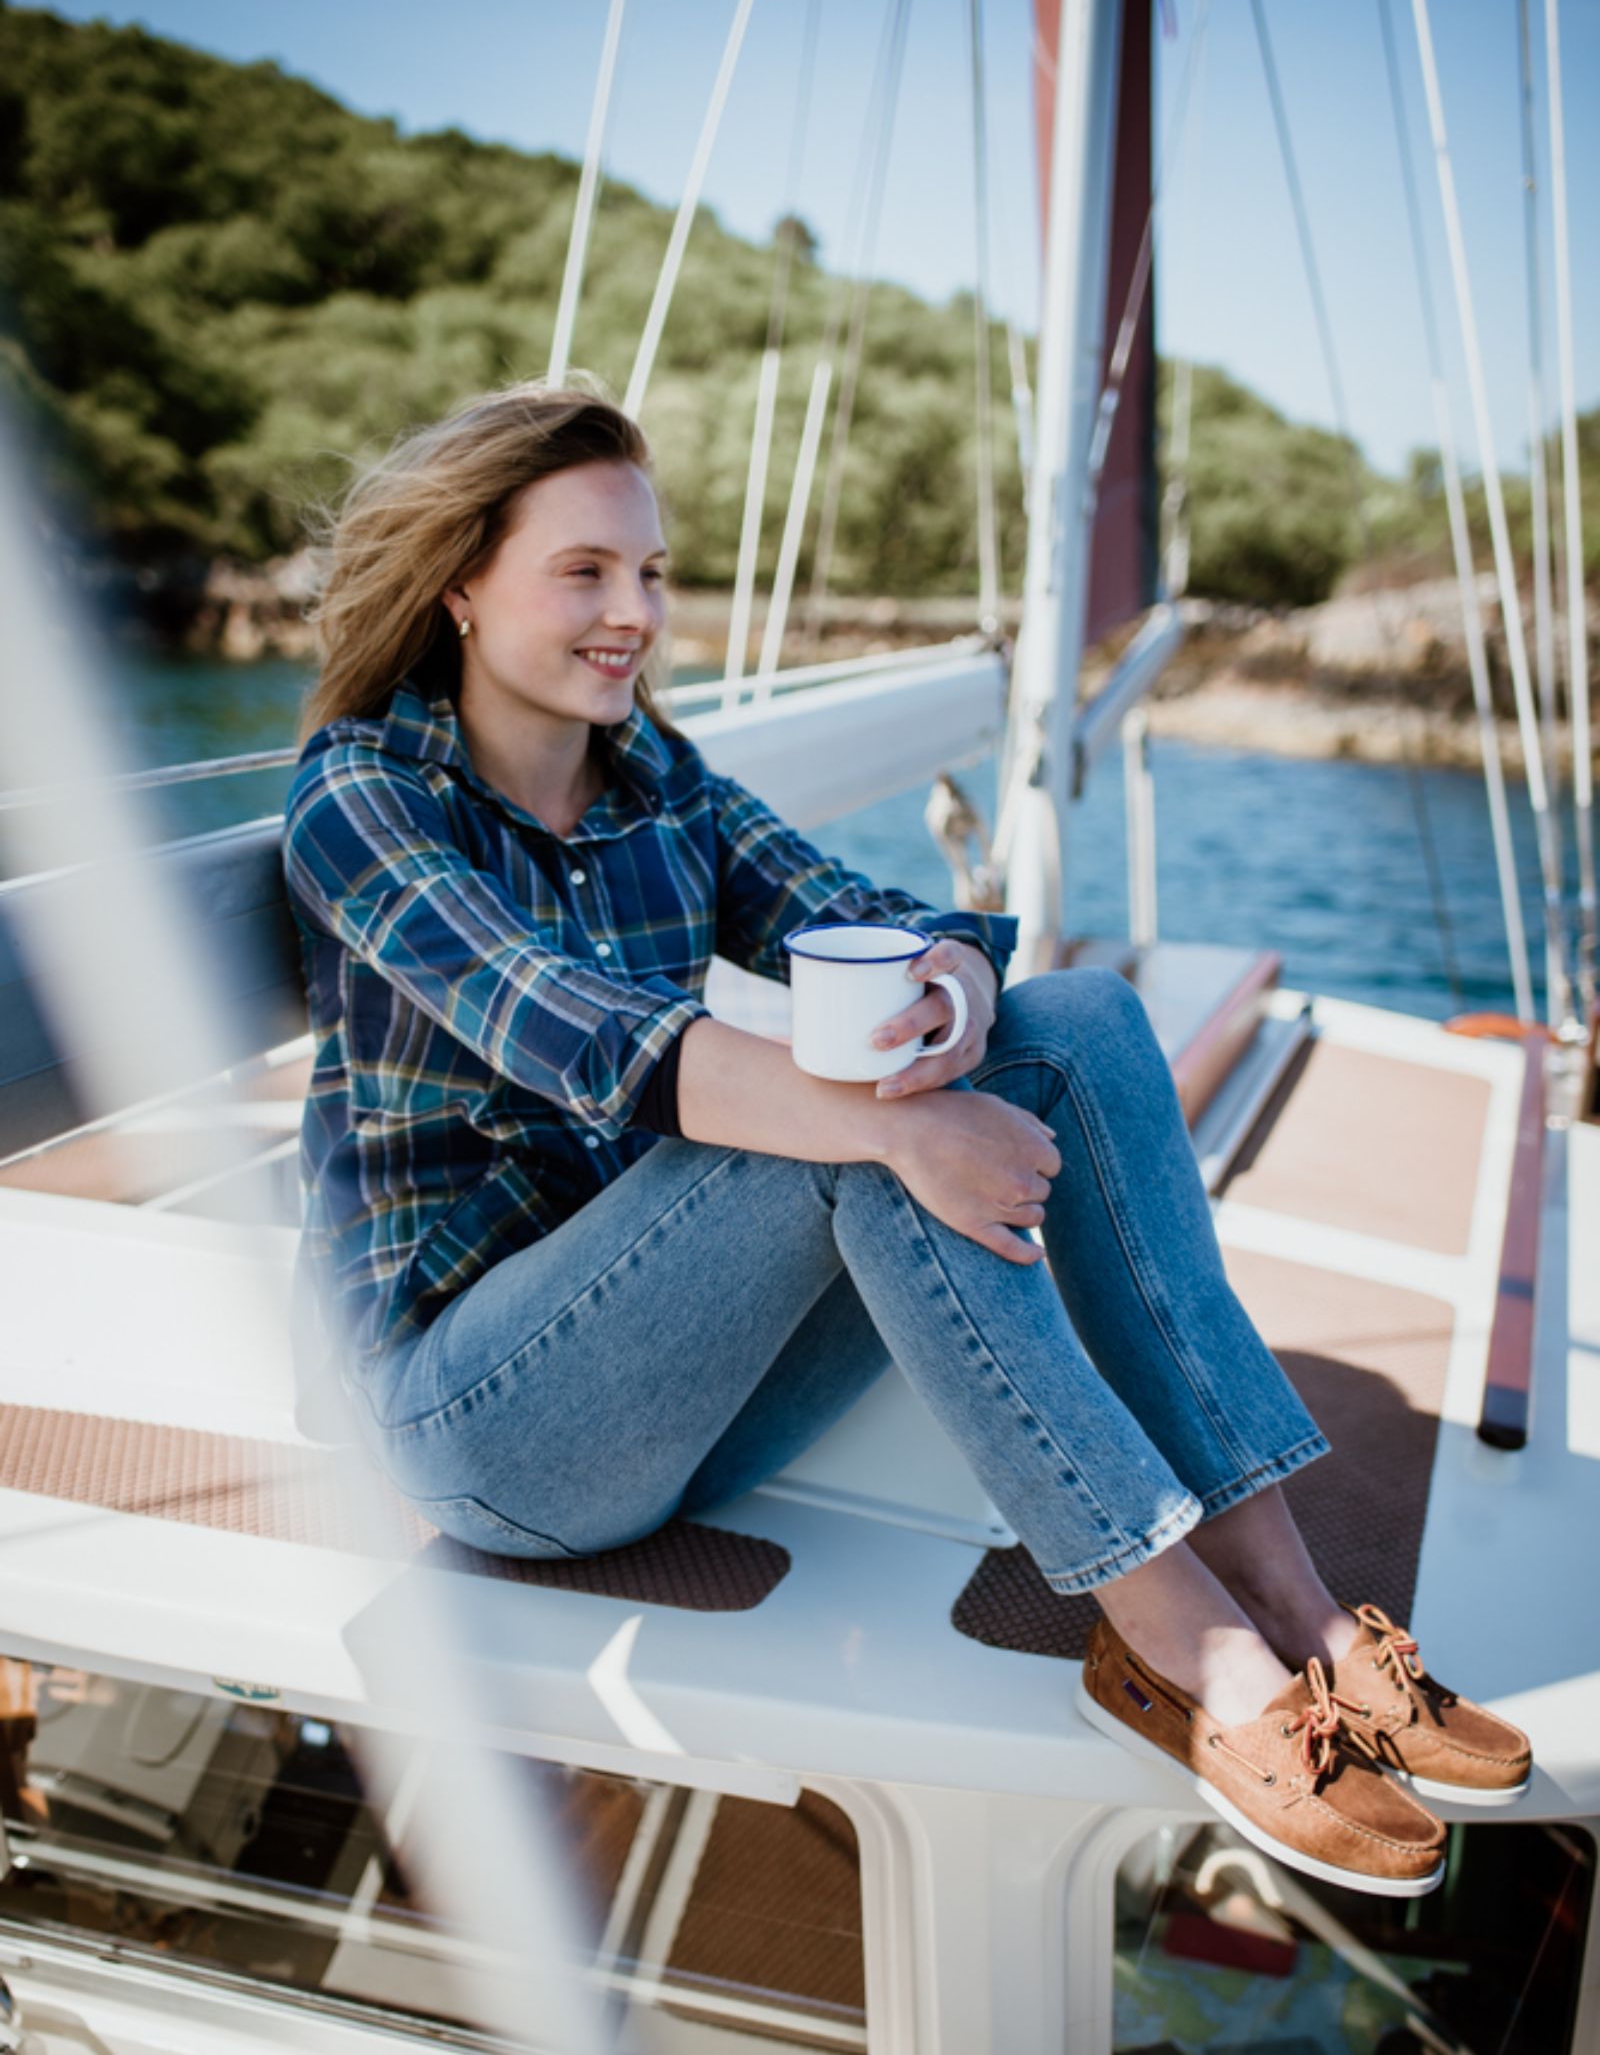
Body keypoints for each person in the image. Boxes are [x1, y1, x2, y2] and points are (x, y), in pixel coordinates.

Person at [282, 378, 1530, 1900]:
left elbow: (857, 910)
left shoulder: (656, 780)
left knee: (1075, 1016)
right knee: (878, 1132)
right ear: (463, 582)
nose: (634, 614)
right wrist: (908, 1122)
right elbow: (595, 1040)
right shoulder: (366, 795)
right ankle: (1174, 1641)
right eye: (586, 571)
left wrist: (953, 974)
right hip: (486, 1426)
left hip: (684, 1386)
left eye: (653, 574)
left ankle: (1292, 1595)